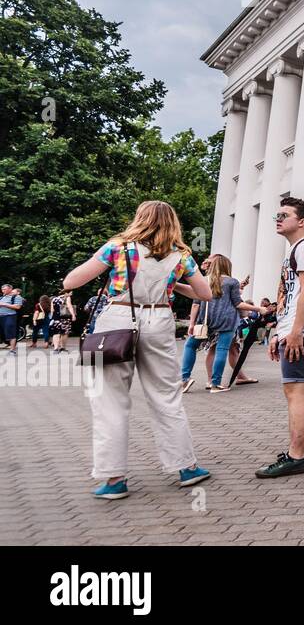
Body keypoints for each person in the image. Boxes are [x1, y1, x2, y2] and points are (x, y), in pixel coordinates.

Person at [61, 200, 214, 500]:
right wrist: (173, 285)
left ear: (140, 218)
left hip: (117, 318)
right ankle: (187, 467)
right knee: (167, 395)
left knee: (108, 400)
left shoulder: (118, 246)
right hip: (159, 318)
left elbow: (71, 281)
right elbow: (205, 292)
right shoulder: (181, 255)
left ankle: (114, 478)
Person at [256, 197, 304, 478]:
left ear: (302, 222)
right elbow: (290, 296)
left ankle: (296, 456)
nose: (278, 218)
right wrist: (280, 332)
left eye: (284, 214)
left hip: (303, 331)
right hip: (296, 328)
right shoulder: (295, 250)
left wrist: (295, 332)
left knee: (295, 391)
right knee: (303, 389)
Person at [181, 254, 267, 393]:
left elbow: (196, 304)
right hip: (226, 320)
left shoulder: (203, 280)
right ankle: (215, 384)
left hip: (204, 320)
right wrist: (258, 308)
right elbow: (238, 304)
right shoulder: (231, 282)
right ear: (226, 266)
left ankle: (184, 379)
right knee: (222, 350)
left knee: (190, 346)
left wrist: (191, 324)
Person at [0, 283, 23, 355]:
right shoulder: (1, 297)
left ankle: (12, 350)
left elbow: (17, 307)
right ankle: (7, 343)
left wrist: (3, 304)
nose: (3, 291)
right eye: (2, 289)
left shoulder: (16, 297)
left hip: (10, 316)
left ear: (10, 289)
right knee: (3, 333)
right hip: (1, 316)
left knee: (11, 332)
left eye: (5, 289)